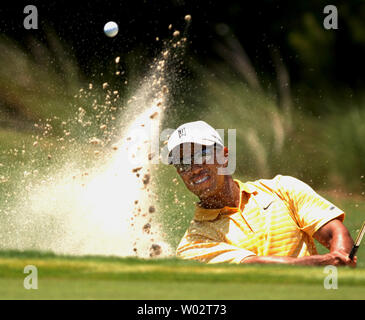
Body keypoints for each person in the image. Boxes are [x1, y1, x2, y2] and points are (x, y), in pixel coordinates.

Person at [167, 120, 357, 266]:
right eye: (183, 164)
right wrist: (325, 262)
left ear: (224, 156)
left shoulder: (283, 188)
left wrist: (339, 261)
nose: (194, 169)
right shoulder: (193, 243)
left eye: (201, 155)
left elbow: (334, 231)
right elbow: (257, 267)